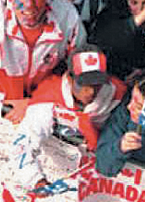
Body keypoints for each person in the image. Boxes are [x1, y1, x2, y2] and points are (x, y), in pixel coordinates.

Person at [9, 51, 121, 190]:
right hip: (56, 164)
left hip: (101, 175)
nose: (91, 91)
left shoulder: (119, 95)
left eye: (97, 83)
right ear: (69, 78)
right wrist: (35, 180)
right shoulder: (49, 93)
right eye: (84, 84)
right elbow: (24, 142)